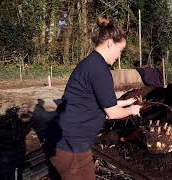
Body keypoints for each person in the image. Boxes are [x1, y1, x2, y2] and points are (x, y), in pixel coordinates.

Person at [44, 15, 142, 180]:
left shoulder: (91, 63)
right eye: (120, 50)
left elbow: (95, 100)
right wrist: (133, 109)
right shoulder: (100, 70)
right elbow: (112, 113)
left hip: (71, 142)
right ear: (110, 43)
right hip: (71, 146)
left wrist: (125, 102)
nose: (119, 56)